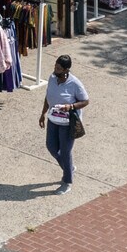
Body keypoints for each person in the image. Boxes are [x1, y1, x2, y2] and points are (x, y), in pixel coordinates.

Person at [42, 54, 89, 192]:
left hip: (68, 123)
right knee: (51, 147)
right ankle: (69, 168)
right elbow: (48, 96)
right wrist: (42, 114)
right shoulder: (52, 78)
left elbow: (85, 101)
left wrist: (71, 107)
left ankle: (67, 182)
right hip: (53, 119)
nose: (55, 69)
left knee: (65, 152)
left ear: (66, 70)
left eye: (59, 68)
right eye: (55, 66)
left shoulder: (75, 83)